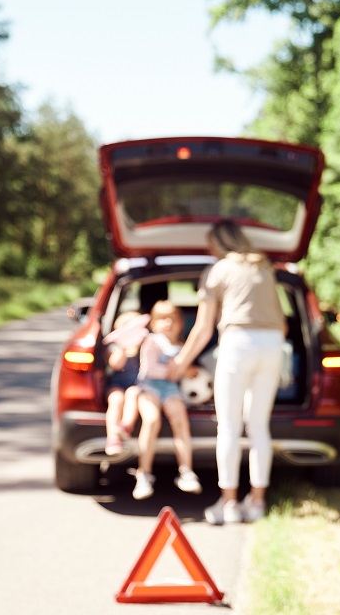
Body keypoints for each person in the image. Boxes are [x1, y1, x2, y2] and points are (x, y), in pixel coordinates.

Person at [168, 220, 287, 525]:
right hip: (273, 344)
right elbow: (284, 323)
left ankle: (229, 504)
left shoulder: (218, 270)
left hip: (239, 343)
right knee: (259, 426)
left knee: (230, 426)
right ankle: (257, 503)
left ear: (219, 243)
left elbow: (204, 327)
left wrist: (181, 361)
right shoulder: (264, 267)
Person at [128, 300, 202, 500]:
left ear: (181, 324)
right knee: (151, 420)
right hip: (148, 387)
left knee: (180, 419)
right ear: (153, 324)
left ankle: (186, 471)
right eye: (162, 319)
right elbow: (150, 369)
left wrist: (188, 371)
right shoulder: (152, 341)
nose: (168, 323)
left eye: (173, 319)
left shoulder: (182, 345)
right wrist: (178, 371)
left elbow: (189, 369)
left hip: (171, 389)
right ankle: (144, 473)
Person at [103, 311, 146, 456]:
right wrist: (124, 346)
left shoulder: (145, 346)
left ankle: (126, 426)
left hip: (137, 385)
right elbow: (115, 365)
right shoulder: (114, 347)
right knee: (116, 400)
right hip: (117, 384)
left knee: (132, 394)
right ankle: (113, 438)